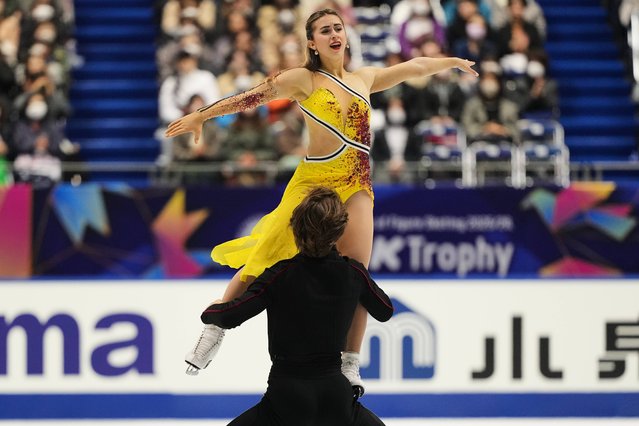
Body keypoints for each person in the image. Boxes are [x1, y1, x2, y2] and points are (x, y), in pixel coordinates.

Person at [166, 8, 477, 395]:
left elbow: (415, 66)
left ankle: (349, 363)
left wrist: (452, 61)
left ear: (346, 36)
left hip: (357, 182)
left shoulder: (365, 78)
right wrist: (201, 116)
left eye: (338, 28)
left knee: (358, 274)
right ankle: (214, 328)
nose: (334, 34)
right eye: (324, 30)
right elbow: (249, 98)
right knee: (265, 252)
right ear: (311, 42)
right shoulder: (304, 79)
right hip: (313, 179)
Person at [199, 186, 393, 425]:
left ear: (294, 227)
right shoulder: (352, 272)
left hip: (286, 397)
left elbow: (229, 316)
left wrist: (211, 311)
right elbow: (385, 310)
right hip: (336, 397)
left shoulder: (279, 275)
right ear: (339, 231)